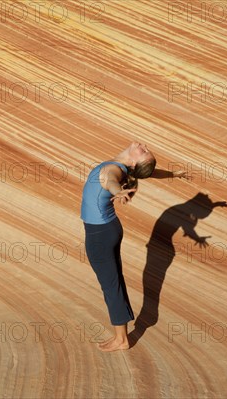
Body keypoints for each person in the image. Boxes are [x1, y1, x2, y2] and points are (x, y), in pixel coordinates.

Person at [80, 141, 157, 351]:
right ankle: (122, 333)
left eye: (144, 152)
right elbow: (149, 172)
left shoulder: (113, 170)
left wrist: (118, 191)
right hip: (108, 229)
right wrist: (174, 174)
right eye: (147, 150)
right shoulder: (124, 167)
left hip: (99, 235)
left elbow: (110, 180)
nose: (144, 146)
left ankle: (122, 339)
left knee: (110, 284)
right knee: (114, 280)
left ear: (133, 162)